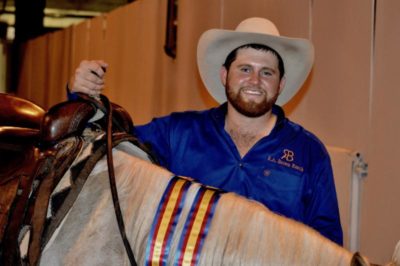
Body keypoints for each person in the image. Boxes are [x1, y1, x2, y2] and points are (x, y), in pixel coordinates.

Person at [68, 17, 343, 245]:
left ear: (280, 84)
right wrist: (82, 96)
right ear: (225, 75)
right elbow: (109, 141)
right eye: (245, 69)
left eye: (267, 73)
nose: (255, 81)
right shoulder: (179, 133)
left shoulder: (309, 152)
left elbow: (327, 243)